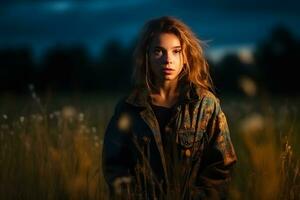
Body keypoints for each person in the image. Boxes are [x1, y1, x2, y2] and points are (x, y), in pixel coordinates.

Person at [102, 16, 237, 200]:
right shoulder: (129, 107)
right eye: (159, 51)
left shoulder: (205, 104)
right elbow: (114, 163)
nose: (168, 60)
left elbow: (221, 165)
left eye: (176, 51)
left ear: (186, 57)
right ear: (147, 56)